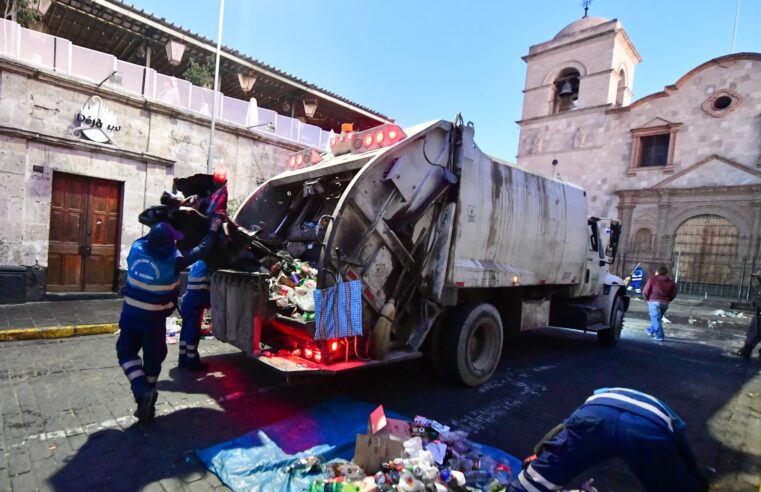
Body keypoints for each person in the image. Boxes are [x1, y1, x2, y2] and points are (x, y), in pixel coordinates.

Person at [116, 219, 220, 424]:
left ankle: (142, 395)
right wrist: (214, 227)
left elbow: (149, 237)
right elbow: (202, 249)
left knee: (126, 352)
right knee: (153, 359)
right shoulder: (175, 262)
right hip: (154, 321)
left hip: (129, 316)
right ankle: (146, 395)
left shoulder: (136, 249)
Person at [507, 387, 708, 492]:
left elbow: (561, 430)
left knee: (529, 485)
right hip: (647, 429)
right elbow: (685, 454)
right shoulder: (669, 418)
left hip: (595, 418)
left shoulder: (599, 397)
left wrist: (540, 455)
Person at [178, 259, 211, 370]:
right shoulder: (208, 263)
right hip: (195, 301)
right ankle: (192, 362)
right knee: (193, 331)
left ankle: (183, 359)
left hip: (188, 301)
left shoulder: (198, 262)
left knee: (186, 330)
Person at [642, 265, 677, 341]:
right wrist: (668, 300)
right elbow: (674, 293)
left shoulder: (652, 279)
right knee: (657, 319)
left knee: (656, 319)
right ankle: (650, 330)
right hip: (665, 303)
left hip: (654, 302)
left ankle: (660, 336)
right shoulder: (671, 282)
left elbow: (645, 291)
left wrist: (647, 299)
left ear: (657, 272)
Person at [734, 270, 761, 360]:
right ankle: (747, 349)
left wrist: (756, 303)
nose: (757, 279)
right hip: (758, 313)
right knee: (753, 332)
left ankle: (746, 350)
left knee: (755, 333)